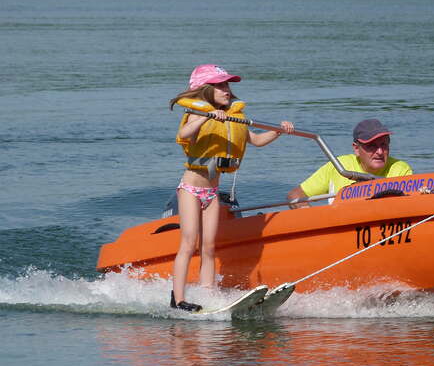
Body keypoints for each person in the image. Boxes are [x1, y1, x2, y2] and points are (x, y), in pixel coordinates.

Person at [168, 64, 294, 312]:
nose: (227, 90)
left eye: (228, 85)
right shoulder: (197, 113)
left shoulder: (234, 117)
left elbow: (256, 140)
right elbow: (184, 132)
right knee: (189, 243)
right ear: (206, 90)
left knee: (209, 247)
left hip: (211, 193)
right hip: (191, 190)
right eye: (221, 85)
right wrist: (207, 117)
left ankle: (208, 294)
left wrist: (279, 131)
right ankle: (178, 299)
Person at [287, 119, 412, 208]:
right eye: (371, 146)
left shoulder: (401, 169)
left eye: (383, 145)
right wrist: (315, 218)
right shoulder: (339, 166)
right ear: (356, 149)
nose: (379, 152)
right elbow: (295, 195)